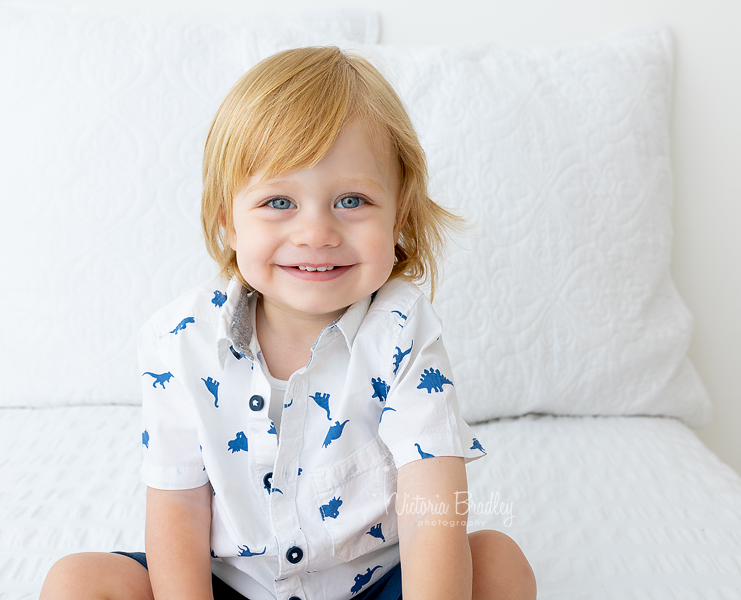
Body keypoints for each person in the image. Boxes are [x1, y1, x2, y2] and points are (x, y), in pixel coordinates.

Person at [40, 46, 536, 600]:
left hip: (373, 584)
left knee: (497, 564)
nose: (316, 233)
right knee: (76, 582)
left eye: (352, 200)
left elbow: (433, 502)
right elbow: (177, 508)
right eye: (279, 201)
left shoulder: (400, 329)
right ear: (227, 219)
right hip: (230, 584)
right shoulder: (178, 341)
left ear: (399, 216)